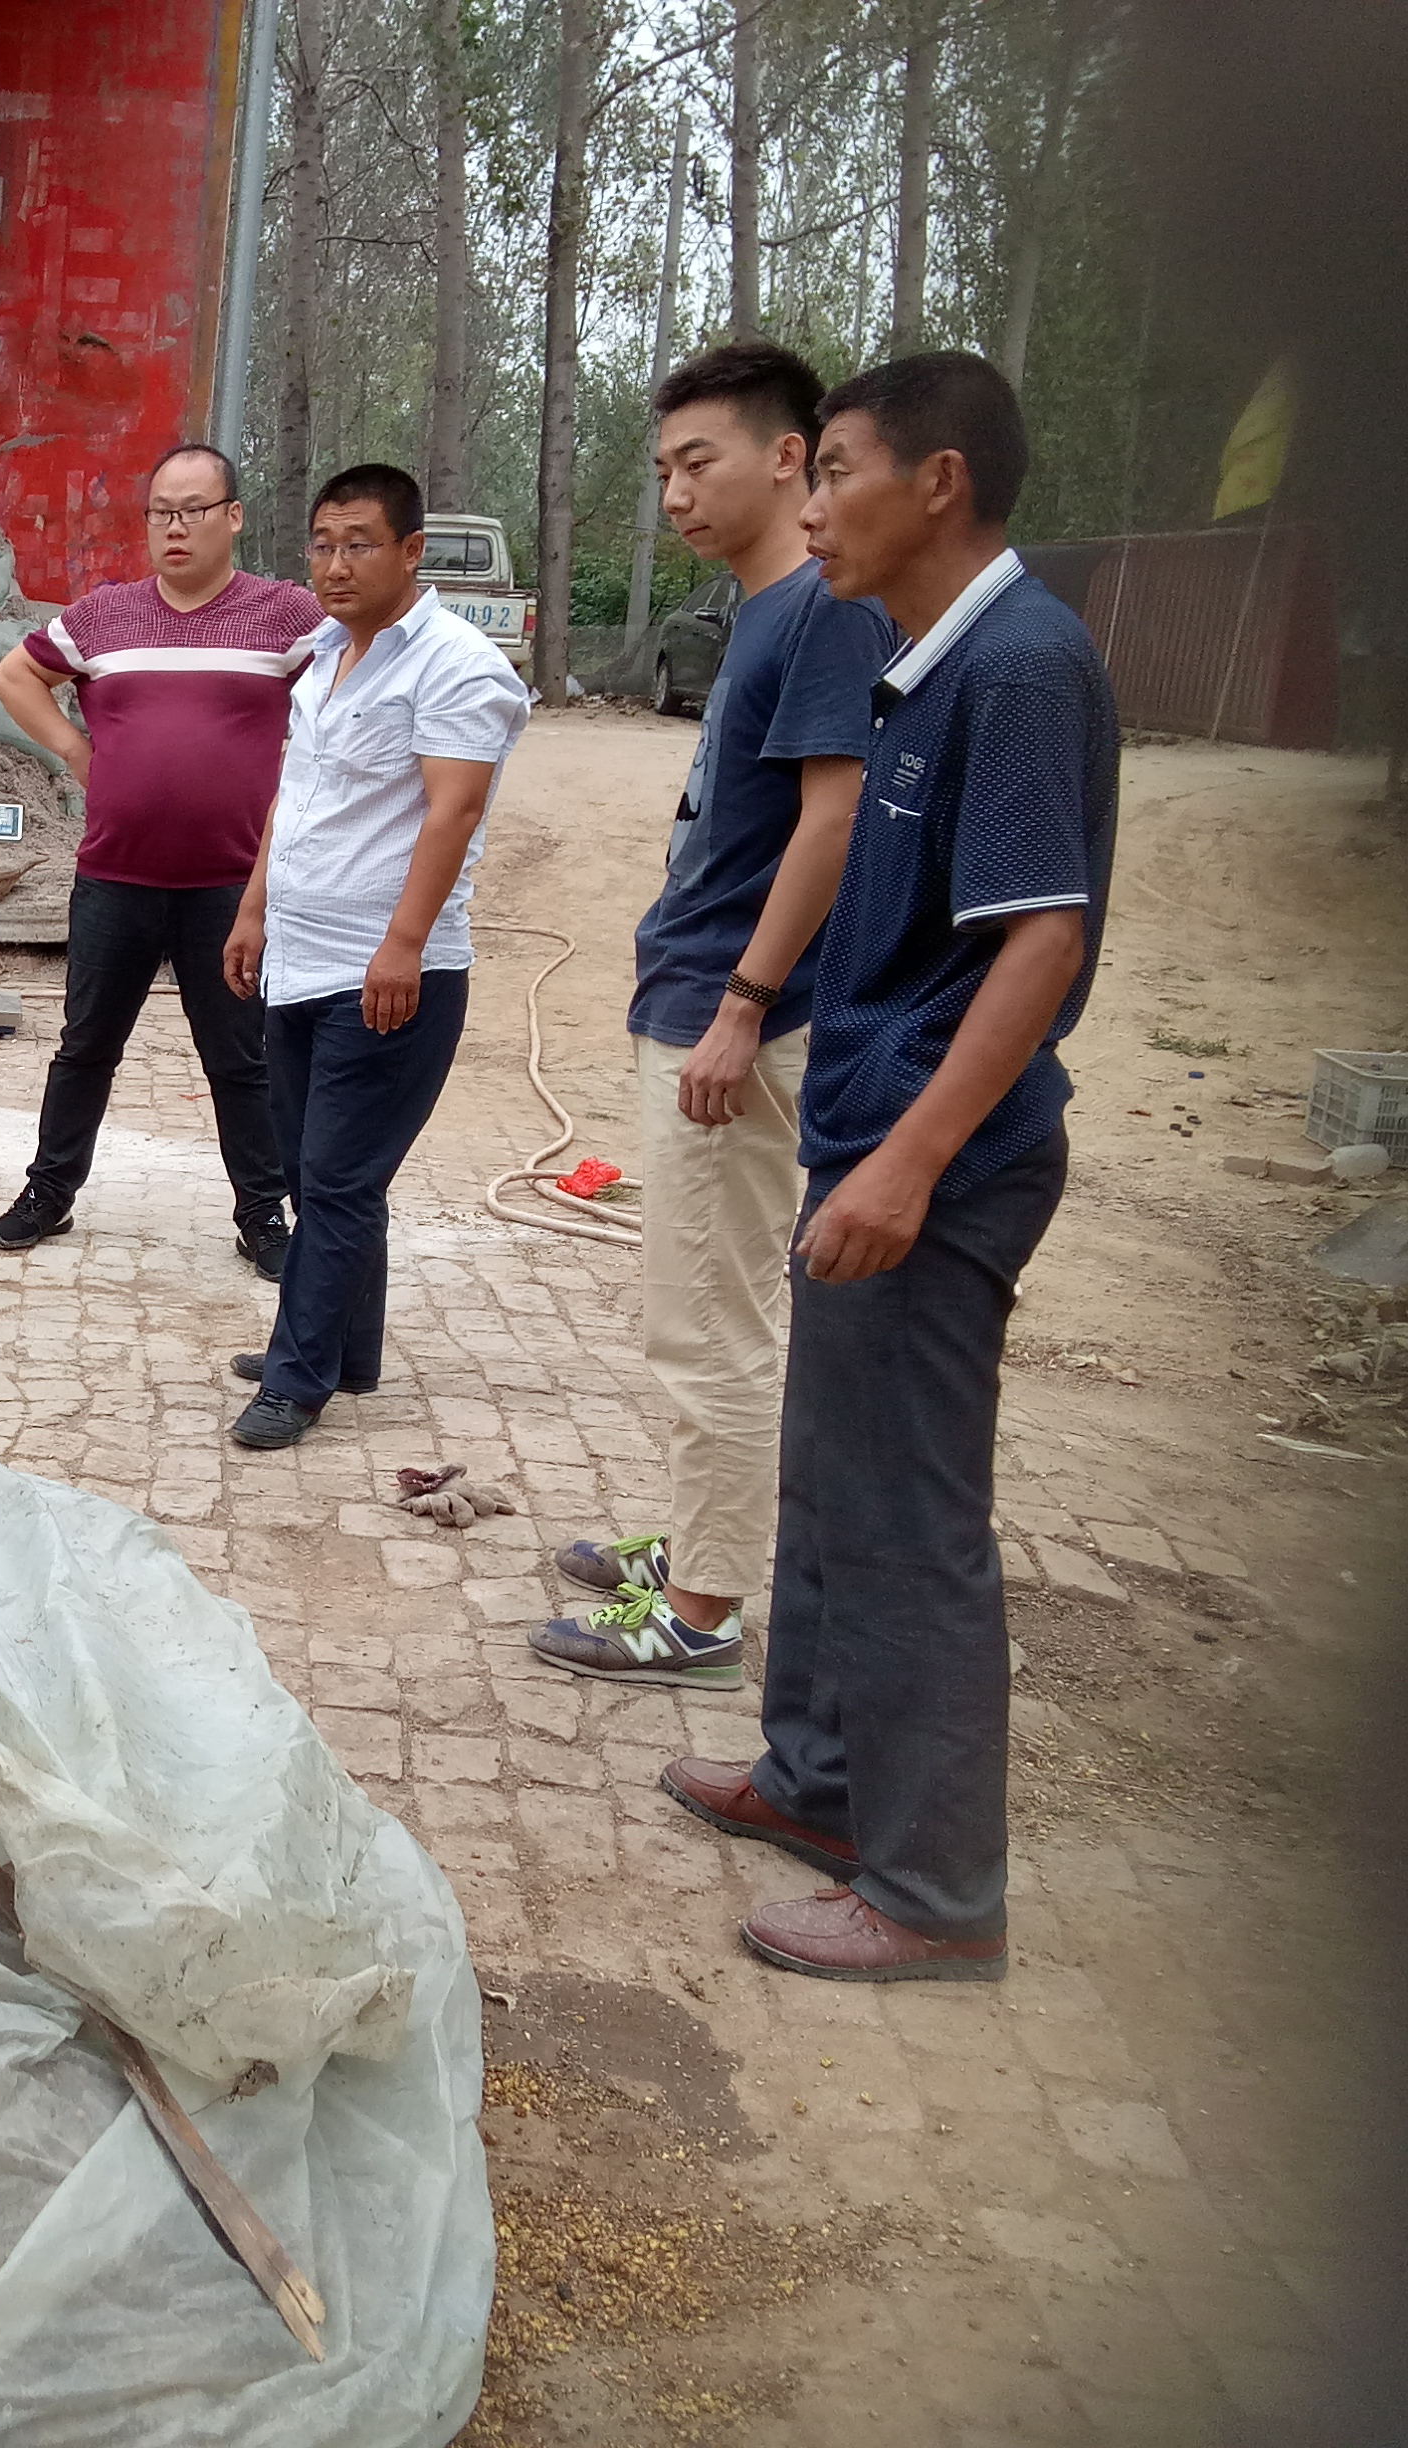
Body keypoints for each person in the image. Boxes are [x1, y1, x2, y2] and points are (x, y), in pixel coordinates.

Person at [661, 352, 1115, 1984]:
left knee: (907, 1517)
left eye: (834, 467)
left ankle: (930, 1890)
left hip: (930, 1164)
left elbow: (1037, 939)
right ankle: (818, 1782)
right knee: (830, 1483)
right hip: (861, 1138)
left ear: (932, 482)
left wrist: (907, 1164)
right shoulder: (924, 665)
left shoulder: (1021, 667)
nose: (812, 498)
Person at [532, 342, 896, 1688]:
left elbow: (837, 817)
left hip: (734, 1018)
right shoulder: (765, 614)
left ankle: (701, 1608)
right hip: (693, 993)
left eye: (702, 462)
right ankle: (701, 1541)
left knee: (712, 1320)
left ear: (788, 457)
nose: (677, 494)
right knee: (689, 1305)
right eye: (664, 470)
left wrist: (744, 1005)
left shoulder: (823, 611)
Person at [219, 462, 530, 1450]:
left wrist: (401, 946)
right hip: (301, 956)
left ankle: (295, 1376)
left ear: (411, 551)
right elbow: (295, 796)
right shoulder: (324, 654)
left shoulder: (457, 665)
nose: (335, 563)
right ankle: (346, 1350)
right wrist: (253, 908)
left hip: (390, 973)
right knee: (317, 1173)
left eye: (358, 543)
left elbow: (457, 808)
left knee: (342, 1178)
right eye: (321, 542)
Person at [0, 443, 324, 1275]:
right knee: (85, 1046)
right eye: (161, 513)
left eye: (194, 510)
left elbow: (348, 689)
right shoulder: (104, 616)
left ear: (233, 517)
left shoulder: (285, 614)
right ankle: (49, 1192)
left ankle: (262, 1213)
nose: (175, 528)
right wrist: (73, 748)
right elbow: (13, 675)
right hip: (115, 878)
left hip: (234, 887)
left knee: (241, 1059)